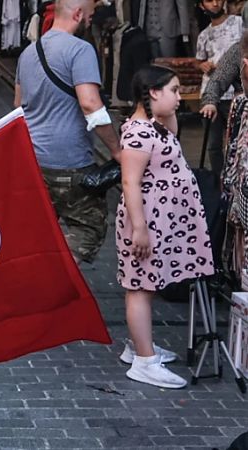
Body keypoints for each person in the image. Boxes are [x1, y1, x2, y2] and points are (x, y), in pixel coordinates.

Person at [116, 65, 214, 388]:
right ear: (153, 93)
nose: (178, 97)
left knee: (150, 282)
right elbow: (129, 182)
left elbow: (172, 131)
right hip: (147, 220)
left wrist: (167, 109)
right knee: (140, 287)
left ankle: (139, 346)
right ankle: (144, 362)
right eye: (173, 90)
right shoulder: (137, 133)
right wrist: (140, 228)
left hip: (163, 220)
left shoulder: (156, 125)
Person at [13, 0, 120, 264]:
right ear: (78, 13)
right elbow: (90, 104)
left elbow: (18, 106)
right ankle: (55, 276)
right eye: (90, 16)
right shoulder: (80, 50)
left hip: (35, 161)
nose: (90, 21)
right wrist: (117, 150)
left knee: (41, 231)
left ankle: (37, 278)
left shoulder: (28, 52)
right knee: (90, 226)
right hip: (71, 162)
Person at [195, 0, 243, 178]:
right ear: (202, 6)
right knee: (215, 144)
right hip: (218, 94)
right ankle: (219, 181)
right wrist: (203, 66)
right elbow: (212, 70)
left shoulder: (237, 23)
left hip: (237, 95)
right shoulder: (204, 35)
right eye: (209, 0)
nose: (215, 3)